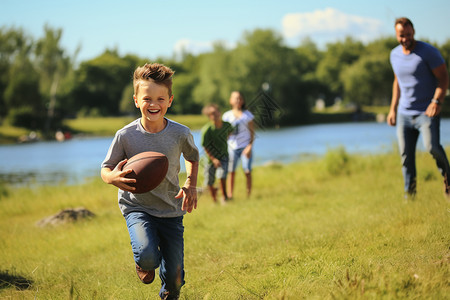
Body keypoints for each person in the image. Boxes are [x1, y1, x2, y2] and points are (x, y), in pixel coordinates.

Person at [100, 63, 199, 300]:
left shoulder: (180, 133)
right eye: (147, 99)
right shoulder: (125, 135)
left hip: (171, 209)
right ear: (136, 100)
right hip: (137, 207)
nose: (153, 104)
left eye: (160, 99)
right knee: (147, 255)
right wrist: (113, 178)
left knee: (175, 278)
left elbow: (193, 157)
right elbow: (105, 169)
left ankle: (168, 294)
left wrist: (190, 184)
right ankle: (143, 262)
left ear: (170, 101)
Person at [387, 17, 450, 200]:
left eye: (408, 34)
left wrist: (436, 102)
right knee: (406, 157)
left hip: (427, 112)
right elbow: (397, 81)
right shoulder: (394, 55)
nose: (405, 38)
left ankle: (448, 181)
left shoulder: (429, 52)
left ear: (413, 31)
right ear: (396, 34)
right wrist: (393, 109)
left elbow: (444, 78)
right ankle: (410, 197)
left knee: (433, 148)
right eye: (401, 35)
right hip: (404, 114)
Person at [222, 91, 255, 198]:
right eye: (235, 98)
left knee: (247, 171)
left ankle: (248, 195)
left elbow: (252, 133)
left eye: (240, 98)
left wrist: (249, 146)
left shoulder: (248, 115)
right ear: (230, 100)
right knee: (231, 171)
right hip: (232, 148)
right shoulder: (226, 116)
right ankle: (230, 195)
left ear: (243, 100)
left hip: (245, 147)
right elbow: (224, 134)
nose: (238, 100)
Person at [200, 104, 234, 203]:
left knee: (222, 175)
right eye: (211, 114)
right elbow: (205, 146)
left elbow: (230, 133)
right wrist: (214, 159)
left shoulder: (227, 125)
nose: (215, 115)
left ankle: (225, 198)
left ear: (220, 112)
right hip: (210, 159)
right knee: (210, 181)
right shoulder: (207, 130)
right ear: (209, 116)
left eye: (216, 112)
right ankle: (214, 199)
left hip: (224, 155)